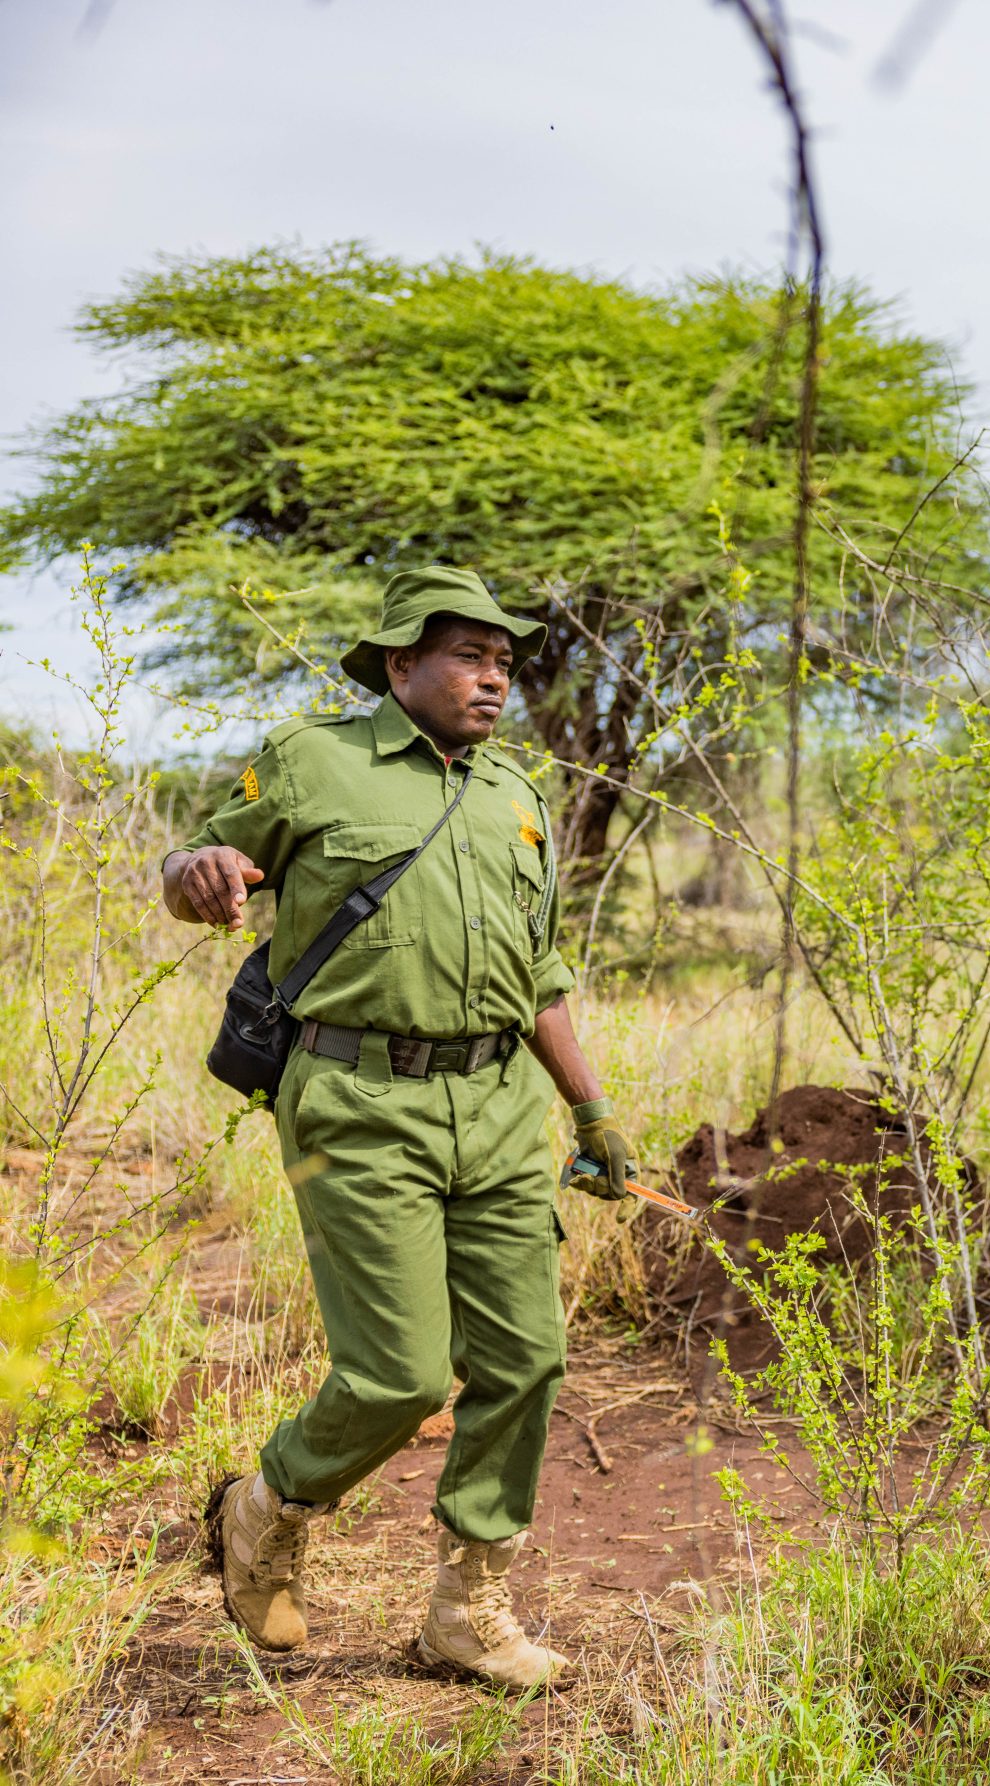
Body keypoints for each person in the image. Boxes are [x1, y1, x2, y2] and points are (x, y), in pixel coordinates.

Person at [161, 565, 640, 1691]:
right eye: (468, 656)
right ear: (399, 664)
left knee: (526, 1358)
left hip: (495, 1108)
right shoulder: (310, 758)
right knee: (398, 1374)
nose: (491, 680)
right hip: (360, 1104)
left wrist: (592, 1108)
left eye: (505, 662)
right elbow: (197, 858)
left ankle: (467, 1609)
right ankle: (268, 1504)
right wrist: (203, 870)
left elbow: (543, 976)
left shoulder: (513, 792)